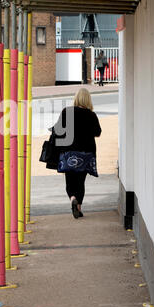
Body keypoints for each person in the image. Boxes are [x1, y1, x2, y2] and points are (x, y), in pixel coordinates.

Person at [53, 88, 101, 219]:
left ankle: (72, 198)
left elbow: (57, 130)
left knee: (70, 181)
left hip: (68, 153)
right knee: (81, 182)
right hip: (86, 154)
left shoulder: (66, 112)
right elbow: (98, 132)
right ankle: (78, 207)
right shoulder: (91, 115)